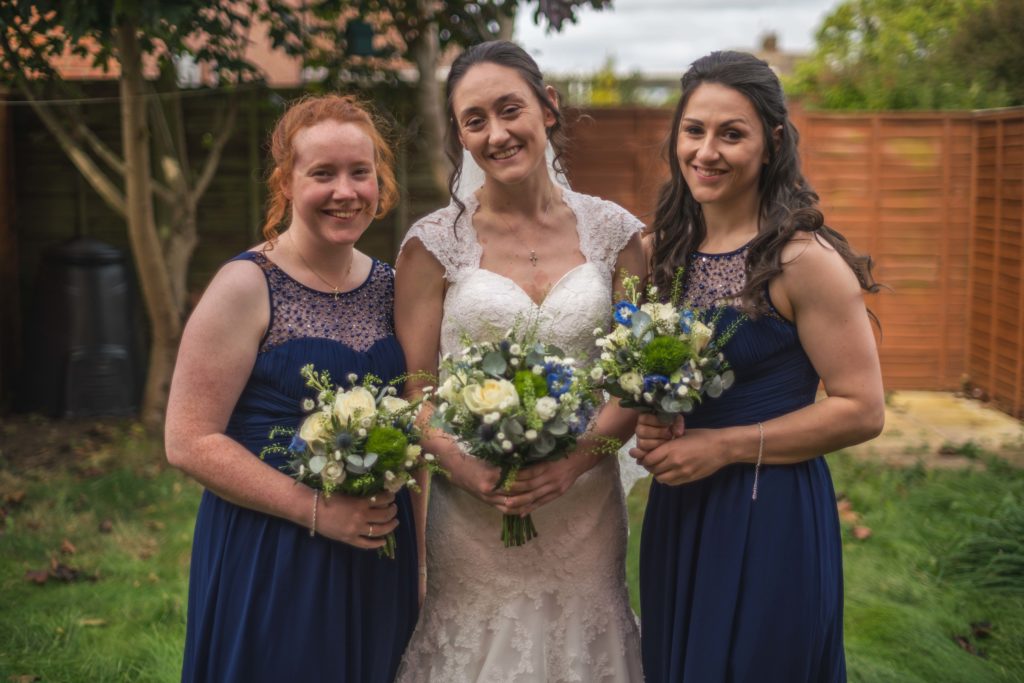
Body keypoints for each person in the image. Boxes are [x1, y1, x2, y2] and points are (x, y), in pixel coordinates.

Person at [394, 40, 646, 682]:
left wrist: (573, 463)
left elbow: (635, 380)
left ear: (549, 107)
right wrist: (461, 462)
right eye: (475, 121)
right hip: (472, 514)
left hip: (583, 512)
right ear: (460, 135)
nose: (497, 134)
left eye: (511, 110)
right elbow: (416, 390)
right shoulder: (433, 246)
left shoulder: (618, 235)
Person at [631, 50, 885, 682]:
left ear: (771, 143)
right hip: (680, 511)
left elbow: (863, 409)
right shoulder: (660, 256)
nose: (706, 151)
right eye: (694, 130)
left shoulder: (804, 261)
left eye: (731, 133)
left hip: (769, 506)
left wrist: (724, 447)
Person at [164, 94, 417, 683]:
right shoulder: (246, 286)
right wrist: (316, 511)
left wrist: (424, 562)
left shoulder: (394, 288)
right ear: (286, 181)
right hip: (272, 549)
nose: (345, 191)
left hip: (380, 548)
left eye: (361, 172)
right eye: (322, 173)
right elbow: (188, 439)